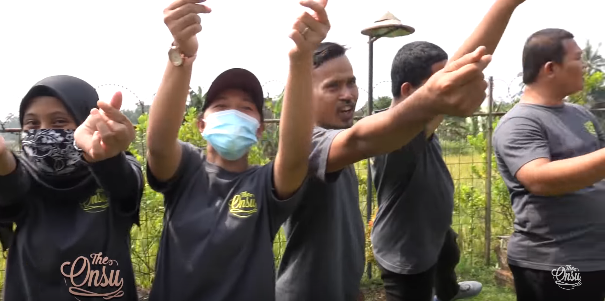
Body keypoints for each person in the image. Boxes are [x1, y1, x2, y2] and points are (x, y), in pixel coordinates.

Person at [276, 34, 494, 301]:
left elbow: (338, 236)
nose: (348, 95)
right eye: (333, 86)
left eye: (351, 83)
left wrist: (352, 288)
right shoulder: (307, 148)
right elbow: (361, 138)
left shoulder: (335, 145)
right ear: (302, 97)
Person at [144, 0, 329, 300]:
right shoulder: (186, 169)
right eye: (220, 106)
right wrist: (182, 51)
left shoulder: (265, 185)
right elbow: (158, 144)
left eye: (245, 108)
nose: (233, 114)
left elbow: (295, 154)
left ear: (259, 128)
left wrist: (301, 59)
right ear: (201, 125)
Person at [370, 0, 526, 300]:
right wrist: (506, 5)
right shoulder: (399, 134)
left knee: (447, 254)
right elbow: (467, 63)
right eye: (440, 81)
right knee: (416, 284)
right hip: (406, 251)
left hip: (433, 229)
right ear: (409, 91)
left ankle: (448, 290)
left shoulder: (422, 124)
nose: (451, 86)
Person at [0, 75, 143, 301]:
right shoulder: (26, 175)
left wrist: (107, 159)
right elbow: (11, 184)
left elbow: (124, 186)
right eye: (32, 124)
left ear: (86, 121)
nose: (44, 133)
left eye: (59, 122)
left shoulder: (117, 171)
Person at [493, 27, 605, 301]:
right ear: (551, 68)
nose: (585, 65)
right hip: (555, 261)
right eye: (578, 58)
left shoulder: (581, 114)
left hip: (596, 254)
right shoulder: (520, 122)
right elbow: (540, 179)